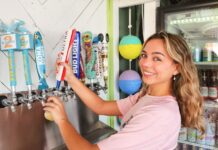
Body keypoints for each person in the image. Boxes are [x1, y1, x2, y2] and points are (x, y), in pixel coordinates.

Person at [43, 31, 205, 150]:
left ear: (177, 68)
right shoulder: (147, 96)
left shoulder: (160, 113)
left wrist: (62, 121)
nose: (145, 64)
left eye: (157, 58)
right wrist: (71, 77)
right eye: (144, 55)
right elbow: (101, 106)